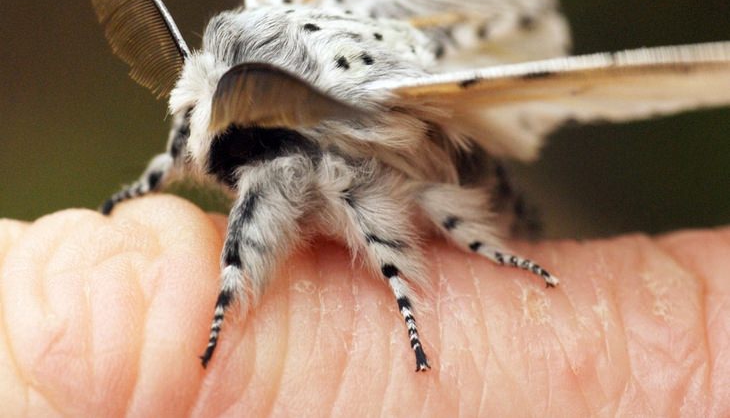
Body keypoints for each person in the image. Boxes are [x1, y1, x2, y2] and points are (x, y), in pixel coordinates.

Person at [1, 194, 727, 415]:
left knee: (354, 185)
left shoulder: (307, 157)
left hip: (445, 175)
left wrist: (410, 312)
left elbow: (357, 198)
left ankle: (478, 259)